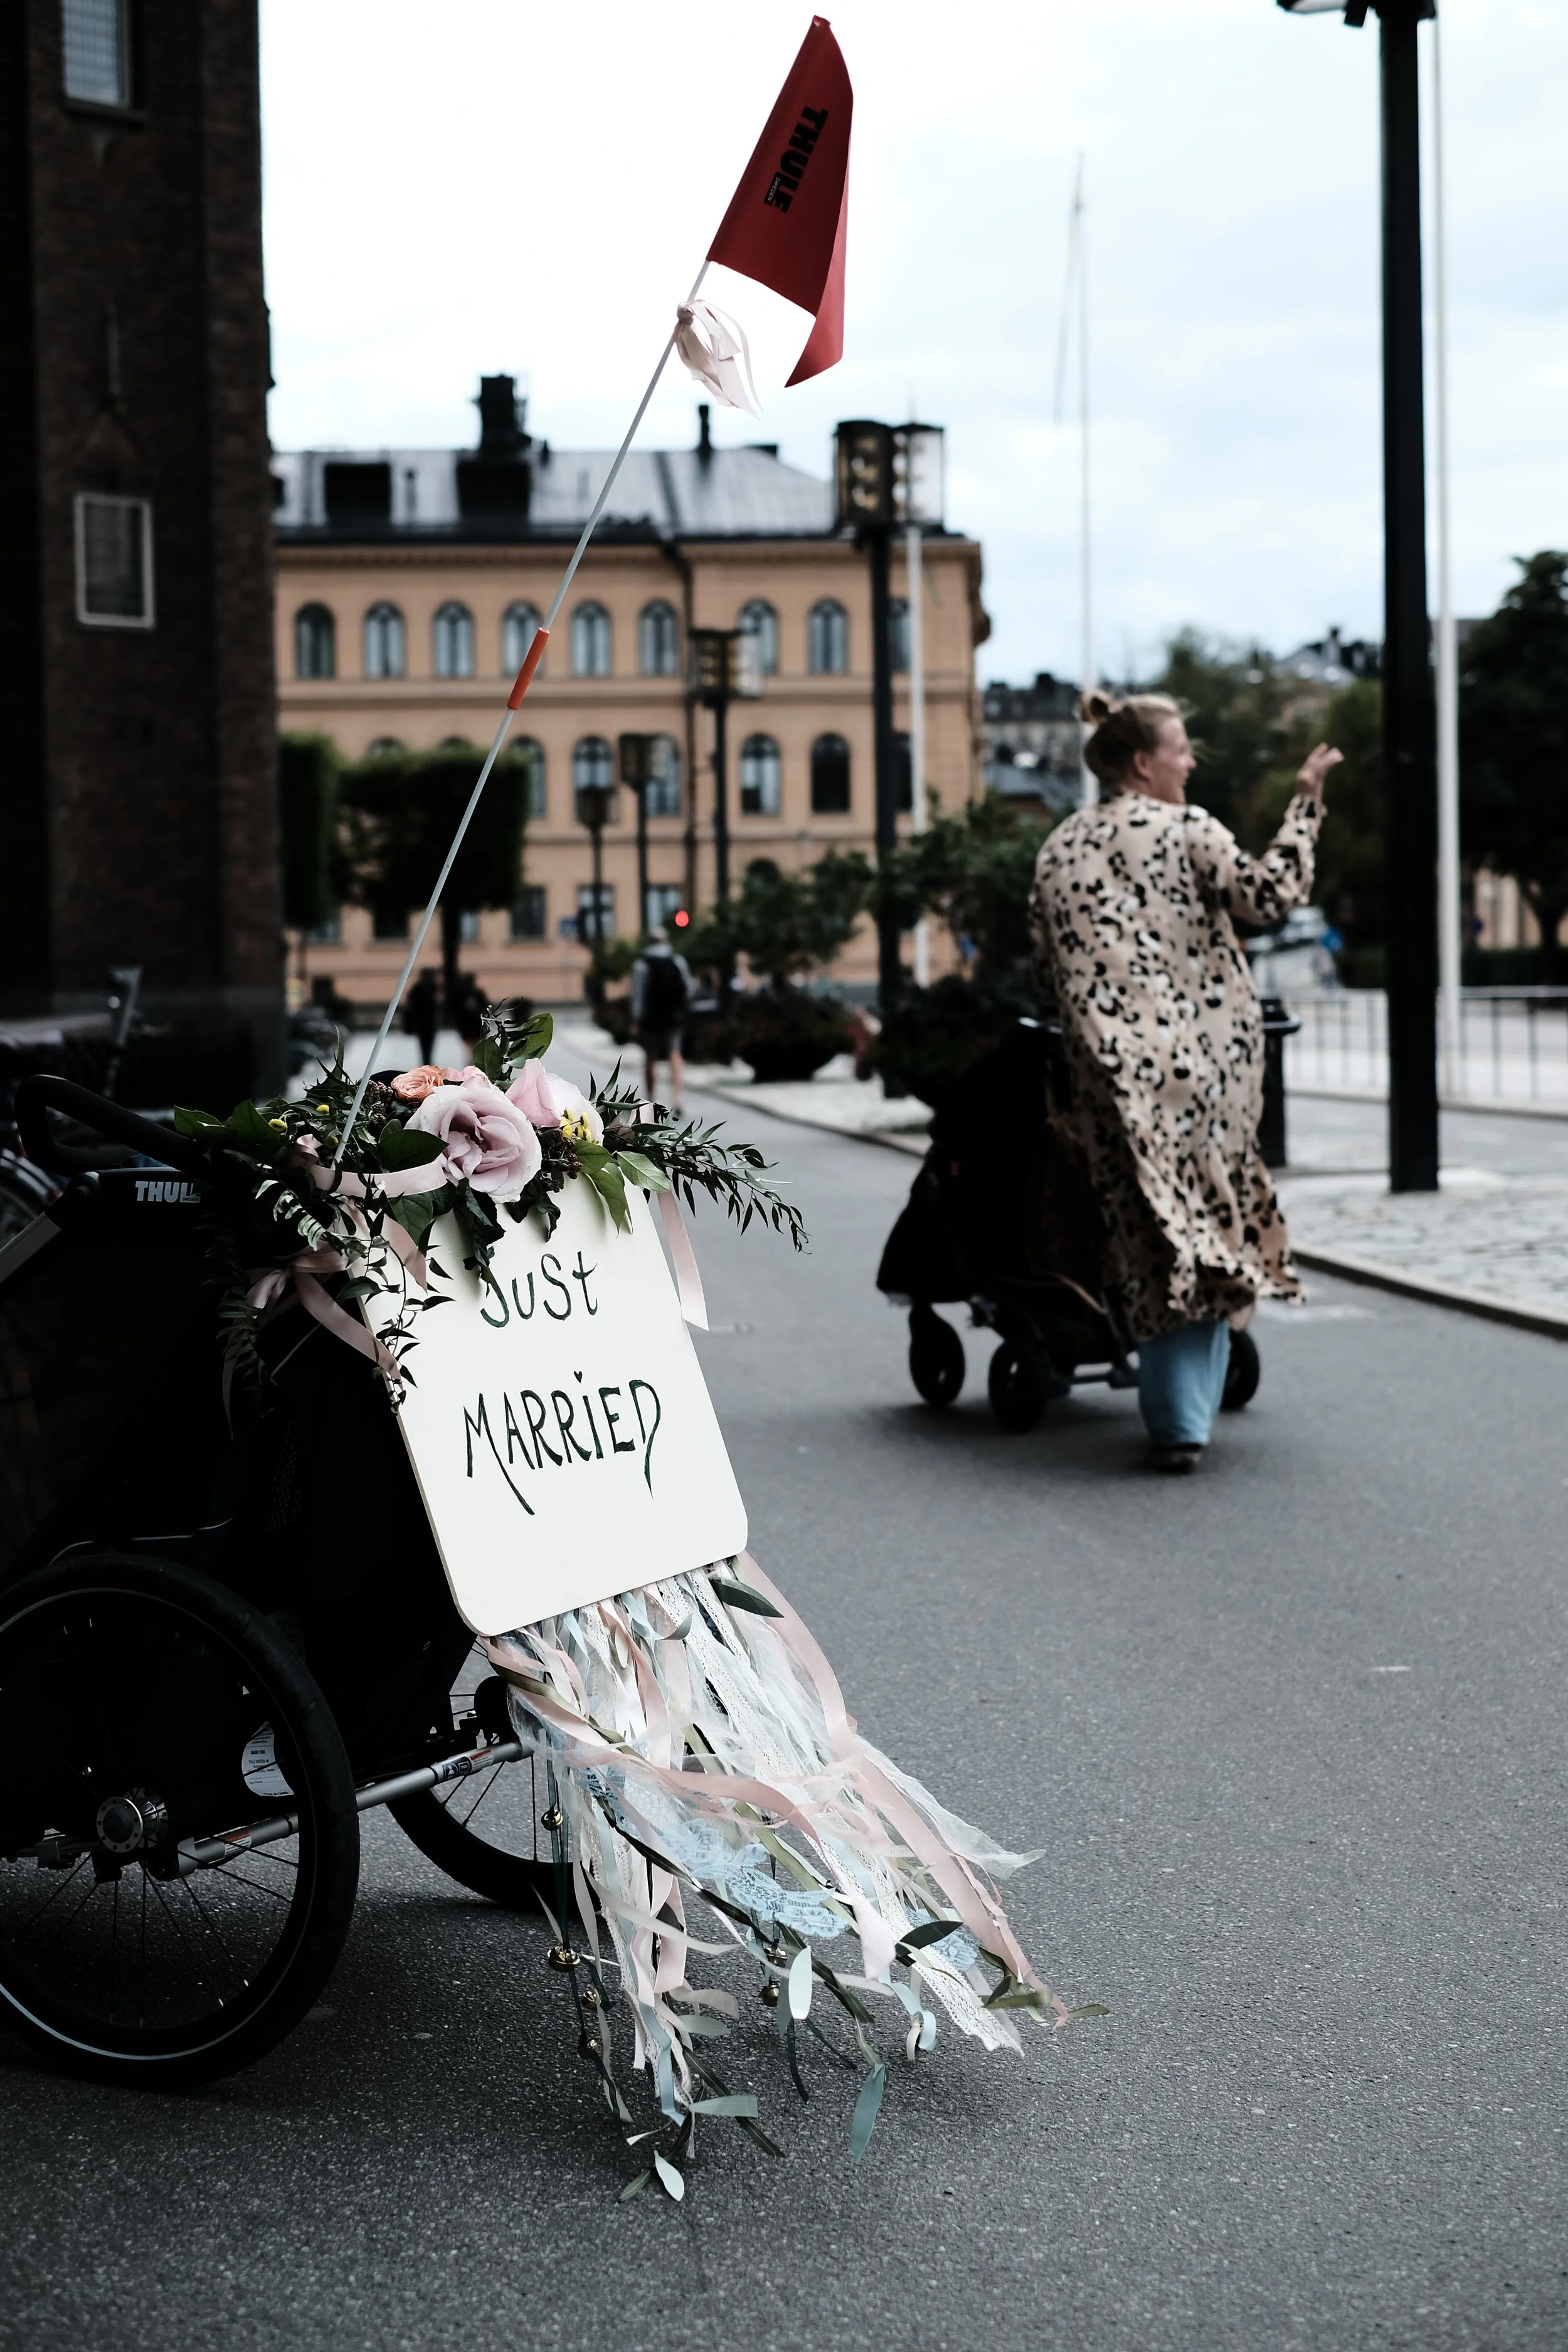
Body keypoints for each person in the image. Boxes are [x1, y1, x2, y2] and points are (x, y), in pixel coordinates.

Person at [1029, 691, 1341, 1472]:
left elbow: (1043, 967)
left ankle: (1178, 1411)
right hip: (1201, 1077)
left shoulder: (1059, 847)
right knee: (1205, 1234)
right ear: (1143, 762)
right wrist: (1304, 805)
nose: (1191, 762)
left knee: (1146, 1238)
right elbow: (1269, 898)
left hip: (1109, 1081)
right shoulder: (1187, 830)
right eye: (1181, 749)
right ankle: (1179, 1421)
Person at [630, 926, 693, 1108]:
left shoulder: (642, 965)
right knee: (675, 1054)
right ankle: (677, 1098)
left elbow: (638, 995)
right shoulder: (677, 961)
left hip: (651, 1017)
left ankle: (651, 1099)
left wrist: (635, 1020)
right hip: (673, 1016)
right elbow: (688, 988)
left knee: (651, 1056)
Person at [404, 970, 439, 1066]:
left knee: (423, 1044)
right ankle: (428, 1061)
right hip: (430, 1021)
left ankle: (425, 1062)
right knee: (429, 1044)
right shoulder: (433, 988)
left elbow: (410, 1000)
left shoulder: (418, 988)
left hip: (421, 1022)